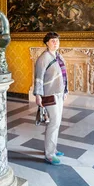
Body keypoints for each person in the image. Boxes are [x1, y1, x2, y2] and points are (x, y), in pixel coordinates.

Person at [33, 32, 68, 165]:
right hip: (49, 95)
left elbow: (64, 75)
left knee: (57, 122)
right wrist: (37, 95)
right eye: (53, 41)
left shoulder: (58, 56)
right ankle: (49, 154)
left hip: (59, 94)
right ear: (46, 42)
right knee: (53, 122)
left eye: (57, 41)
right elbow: (38, 78)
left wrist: (65, 90)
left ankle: (52, 148)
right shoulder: (43, 58)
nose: (56, 43)